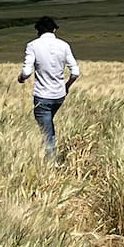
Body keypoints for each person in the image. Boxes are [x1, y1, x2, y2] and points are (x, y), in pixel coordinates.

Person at [18, 16, 79, 159]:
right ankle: (46, 155)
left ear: (38, 31)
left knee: (47, 132)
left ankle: (50, 163)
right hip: (59, 95)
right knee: (48, 125)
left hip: (42, 95)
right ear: (55, 29)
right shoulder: (64, 45)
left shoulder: (32, 45)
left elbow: (27, 72)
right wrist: (66, 86)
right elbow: (75, 72)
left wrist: (21, 78)